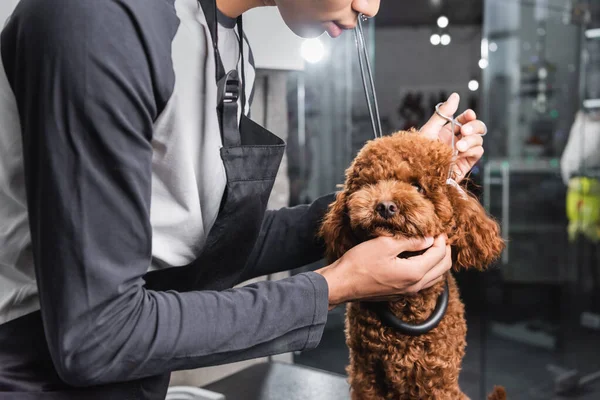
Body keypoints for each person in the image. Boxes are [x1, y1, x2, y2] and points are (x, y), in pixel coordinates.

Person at [0, 0, 488, 398]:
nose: (370, 7)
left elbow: (206, 243)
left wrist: (394, 194)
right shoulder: (99, 22)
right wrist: (332, 286)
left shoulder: (226, 40)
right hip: (33, 377)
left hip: (134, 379)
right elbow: (97, 336)